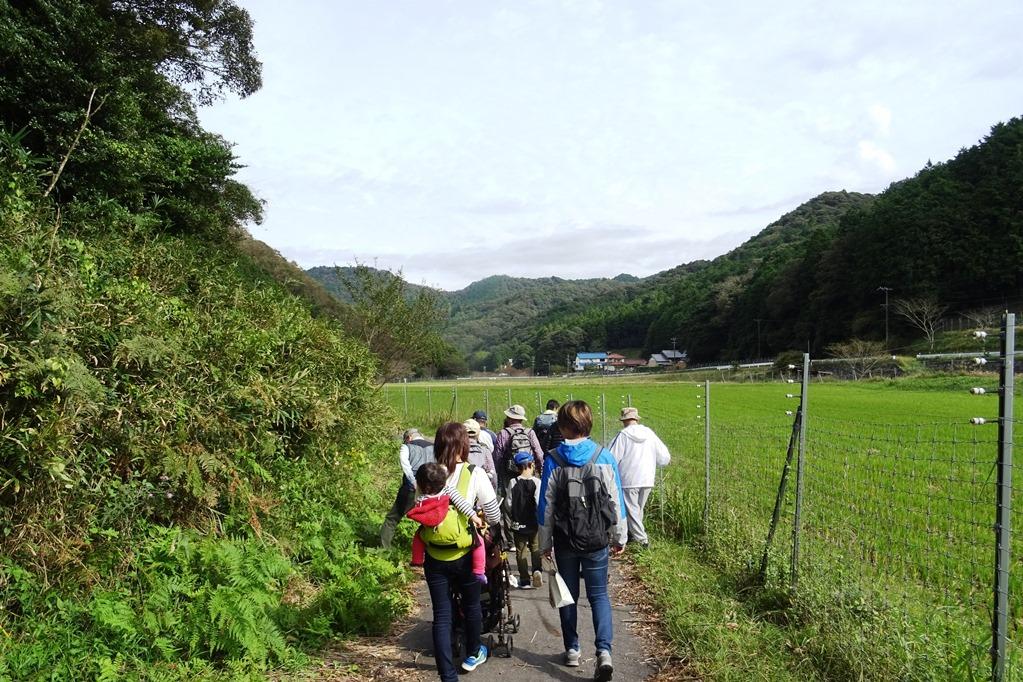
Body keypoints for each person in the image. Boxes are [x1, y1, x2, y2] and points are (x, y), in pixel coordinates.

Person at [538, 400, 627, 682]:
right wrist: (619, 535)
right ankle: (604, 652)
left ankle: (573, 649)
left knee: (569, 597)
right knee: (599, 595)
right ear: (588, 424)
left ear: (563, 427)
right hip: (597, 539)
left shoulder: (553, 459)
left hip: (566, 541)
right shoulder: (603, 456)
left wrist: (545, 542)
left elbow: (546, 506)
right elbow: (617, 500)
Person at [422, 422, 502, 681]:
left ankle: (446, 674)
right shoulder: (474, 473)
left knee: (441, 615)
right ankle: (472, 652)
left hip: (435, 553)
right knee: (472, 604)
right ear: (463, 445)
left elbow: (419, 507)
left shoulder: (427, 475)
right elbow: (493, 512)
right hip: (466, 552)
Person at [408, 462, 487, 585]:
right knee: (479, 542)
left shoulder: (421, 498)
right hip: (458, 542)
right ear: (443, 482)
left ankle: (417, 560)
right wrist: (474, 516)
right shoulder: (448, 490)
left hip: (432, 535)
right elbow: (462, 504)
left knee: (418, 536)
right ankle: (479, 571)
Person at [608, 407, 671, 548]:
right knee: (638, 510)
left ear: (624, 421)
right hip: (647, 478)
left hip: (628, 478)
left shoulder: (623, 435)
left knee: (632, 512)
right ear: (636, 419)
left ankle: (643, 541)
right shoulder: (649, 433)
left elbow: (612, 457)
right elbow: (664, 456)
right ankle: (634, 536)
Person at [380, 428, 434, 549]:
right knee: (430, 521)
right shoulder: (434, 447)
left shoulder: (406, 447)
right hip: (431, 490)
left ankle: (384, 550)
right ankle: (431, 550)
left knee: (392, 519)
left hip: (410, 489)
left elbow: (405, 466)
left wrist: (414, 482)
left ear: (408, 438)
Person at [505, 451, 543, 589]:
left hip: (518, 522)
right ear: (531, 464)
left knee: (521, 551)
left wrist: (512, 514)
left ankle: (525, 580)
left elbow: (508, 503)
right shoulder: (537, 482)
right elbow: (539, 502)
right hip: (534, 521)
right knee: (535, 547)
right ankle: (537, 570)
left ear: (517, 467)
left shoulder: (513, 482)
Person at [493, 404, 544, 493]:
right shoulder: (530, 432)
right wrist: (539, 468)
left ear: (510, 418)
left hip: (509, 472)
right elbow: (539, 454)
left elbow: (498, 456)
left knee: (510, 497)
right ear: (521, 419)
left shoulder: (503, 433)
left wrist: (497, 471)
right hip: (528, 470)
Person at [463, 418, 497, 488]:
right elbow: (492, 474)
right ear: (478, 434)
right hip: (481, 489)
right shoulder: (484, 450)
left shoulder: (457, 449)